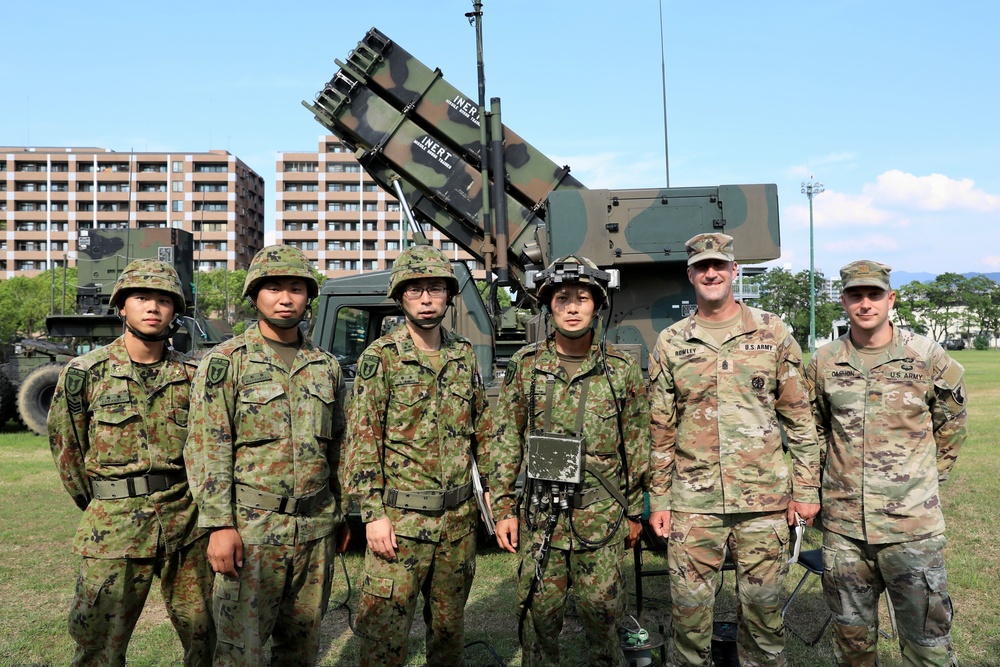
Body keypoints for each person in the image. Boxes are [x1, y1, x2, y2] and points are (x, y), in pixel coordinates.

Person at [647, 232, 822, 667]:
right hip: (693, 504)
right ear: (690, 275)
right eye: (702, 267)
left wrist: (806, 490)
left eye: (719, 265)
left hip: (763, 504)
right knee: (688, 622)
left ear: (733, 271)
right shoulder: (671, 341)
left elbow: (799, 418)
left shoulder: (772, 332)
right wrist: (660, 500)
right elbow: (661, 428)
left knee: (763, 621)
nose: (711, 273)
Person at [184, 245, 347, 666]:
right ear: (255, 294)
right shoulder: (226, 362)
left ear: (308, 297)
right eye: (274, 288)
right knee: (242, 653)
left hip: (314, 531)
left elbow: (338, 447)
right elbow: (207, 446)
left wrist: (341, 513)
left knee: (302, 648)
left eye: (296, 288)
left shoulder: (325, 366)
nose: (286, 297)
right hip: (252, 532)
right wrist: (219, 525)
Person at [48, 259, 214, 666]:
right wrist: (103, 501)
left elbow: (211, 445)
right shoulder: (85, 373)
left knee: (206, 633)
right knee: (98, 642)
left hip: (186, 522)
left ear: (175, 310)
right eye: (142, 298)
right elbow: (67, 449)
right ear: (122, 306)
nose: (153, 307)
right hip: (114, 526)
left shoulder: (195, 375)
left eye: (163, 300)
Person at [490, 255, 650, 667]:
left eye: (583, 298)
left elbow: (635, 446)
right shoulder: (525, 367)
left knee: (603, 617)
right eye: (563, 299)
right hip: (542, 517)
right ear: (549, 306)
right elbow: (506, 440)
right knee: (540, 620)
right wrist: (504, 509)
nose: (574, 307)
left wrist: (634, 513)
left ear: (597, 305)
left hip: (600, 516)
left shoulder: (620, 369)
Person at [807, 260, 967, 667]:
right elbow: (814, 430)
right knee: (852, 644)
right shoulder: (824, 361)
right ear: (843, 301)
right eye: (856, 295)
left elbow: (952, 422)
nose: (865, 304)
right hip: (845, 531)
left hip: (911, 529)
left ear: (890, 299)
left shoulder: (926, 356)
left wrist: (927, 480)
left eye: (874, 294)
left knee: (927, 644)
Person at [344, 243, 490, 667]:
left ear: (448, 295)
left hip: (456, 525)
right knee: (384, 639)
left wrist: (496, 506)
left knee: (448, 635)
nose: (426, 299)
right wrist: (372, 514)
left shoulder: (463, 354)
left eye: (435, 289)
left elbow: (484, 431)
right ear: (400, 297)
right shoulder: (381, 358)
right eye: (415, 291)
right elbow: (362, 440)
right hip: (400, 525)